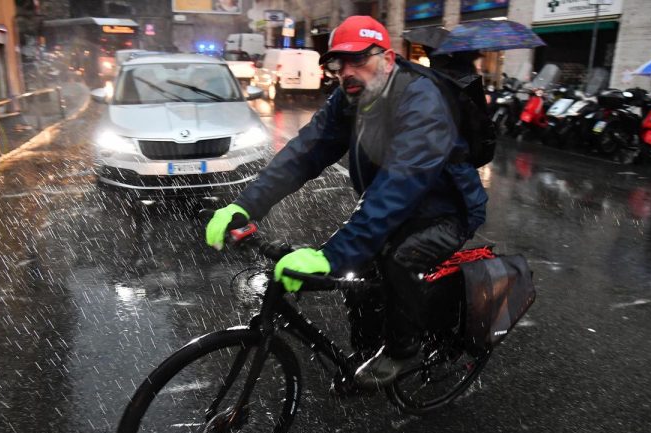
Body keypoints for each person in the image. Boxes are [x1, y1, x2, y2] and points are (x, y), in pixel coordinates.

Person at [205, 16, 488, 390]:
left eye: (360, 60)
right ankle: (369, 348)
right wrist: (244, 206)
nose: (348, 72)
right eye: (339, 64)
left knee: (395, 259)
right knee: (356, 276)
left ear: (387, 59)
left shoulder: (422, 100)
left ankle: (405, 351)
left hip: (446, 210)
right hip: (396, 201)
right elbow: (304, 153)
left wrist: (331, 254)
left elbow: (398, 187)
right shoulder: (349, 97)